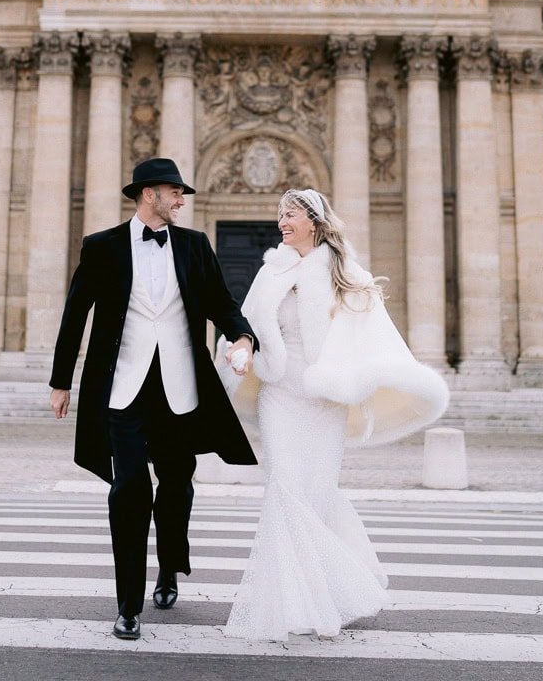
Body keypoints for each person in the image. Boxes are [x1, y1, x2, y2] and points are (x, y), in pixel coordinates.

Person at [219, 187, 449, 642]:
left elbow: (372, 333)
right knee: (284, 490)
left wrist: (358, 381)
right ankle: (301, 601)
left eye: (290, 214)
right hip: (280, 393)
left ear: (314, 221)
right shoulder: (271, 270)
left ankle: (329, 590)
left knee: (316, 495)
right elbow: (244, 325)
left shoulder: (346, 272)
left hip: (323, 399)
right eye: (279, 215)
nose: (281, 222)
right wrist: (240, 349)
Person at [49, 157, 258, 642]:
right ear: (148, 195)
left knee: (177, 486)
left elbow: (220, 302)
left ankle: (169, 566)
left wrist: (242, 337)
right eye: (174, 192)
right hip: (123, 389)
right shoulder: (101, 247)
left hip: (180, 390)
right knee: (129, 491)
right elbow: (74, 313)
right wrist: (61, 381)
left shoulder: (193, 245)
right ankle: (128, 604)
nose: (182, 200)